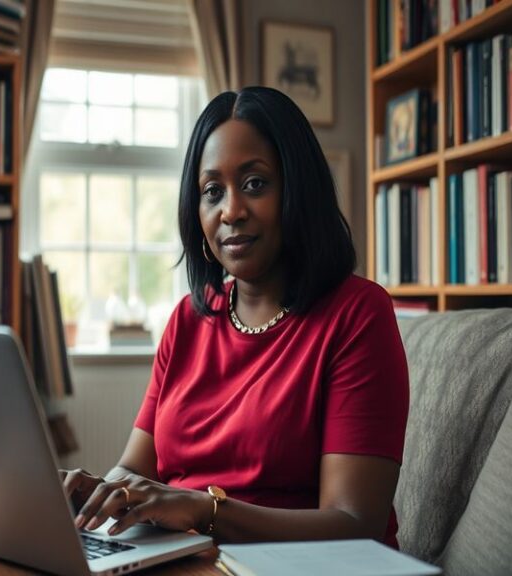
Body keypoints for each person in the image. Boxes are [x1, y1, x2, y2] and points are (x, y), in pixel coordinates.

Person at [62, 86, 409, 547]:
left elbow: (354, 523)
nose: (232, 211)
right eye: (212, 191)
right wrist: (104, 491)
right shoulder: (187, 319)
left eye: (255, 184)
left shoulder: (357, 314)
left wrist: (204, 510)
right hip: (181, 558)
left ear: (297, 192)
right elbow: (134, 466)